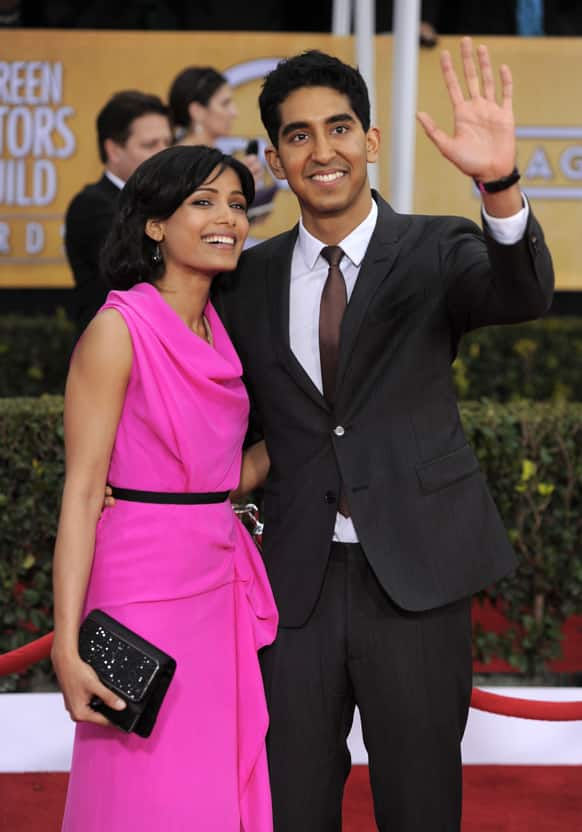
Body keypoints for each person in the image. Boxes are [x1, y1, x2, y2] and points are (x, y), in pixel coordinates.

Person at [212, 42, 554, 830]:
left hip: (417, 576)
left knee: (420, 805)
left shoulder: (435, 248)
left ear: (368, 141)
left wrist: (497, 185)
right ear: (273, 158)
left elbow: (521, 291)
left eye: (338, 129)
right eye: (298, 136)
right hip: (291, 585)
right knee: (292, 805)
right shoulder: (248, 279)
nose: (321, 150)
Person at [52, 145, 278, 831]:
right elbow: (84, 494)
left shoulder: (219, 330)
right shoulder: (119, 330)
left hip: (218, 580)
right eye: (204, 202)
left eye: (238, 204)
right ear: (154, 225)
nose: (228, 219)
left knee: (210, 787)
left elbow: (219, 478)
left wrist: (324, 433)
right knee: (143, 793)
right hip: (141, 591)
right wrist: (66, 647)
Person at [64, 90, 172, 335]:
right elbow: (136, 268)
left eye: (167, 143)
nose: (164, 154)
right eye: (150, 145)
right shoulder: (91, 205)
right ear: (113, 150)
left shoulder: (163, 203)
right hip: (113, 352)